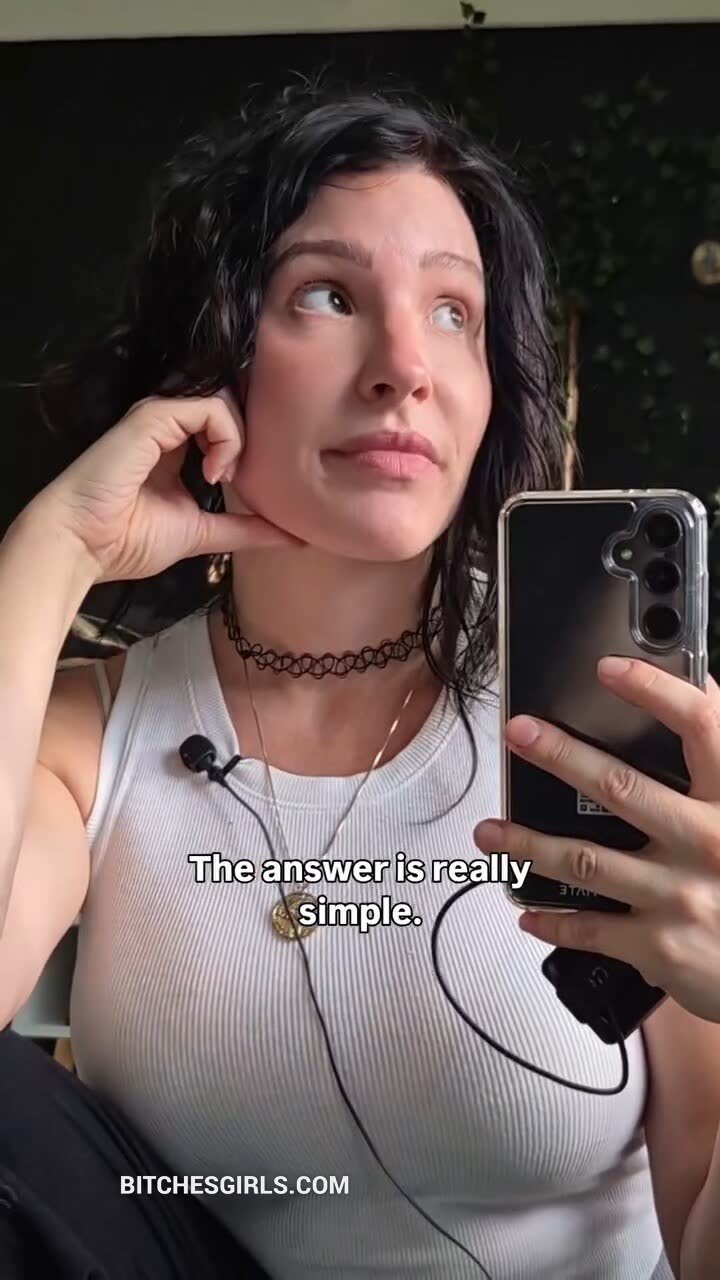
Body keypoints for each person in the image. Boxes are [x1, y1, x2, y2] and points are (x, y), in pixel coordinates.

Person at [1, 76, 720, 1280]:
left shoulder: (628, 724)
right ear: (213, 358)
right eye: (328, 296)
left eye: (452, 311)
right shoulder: (95, 731)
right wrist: (47, 553)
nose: (404, 366)